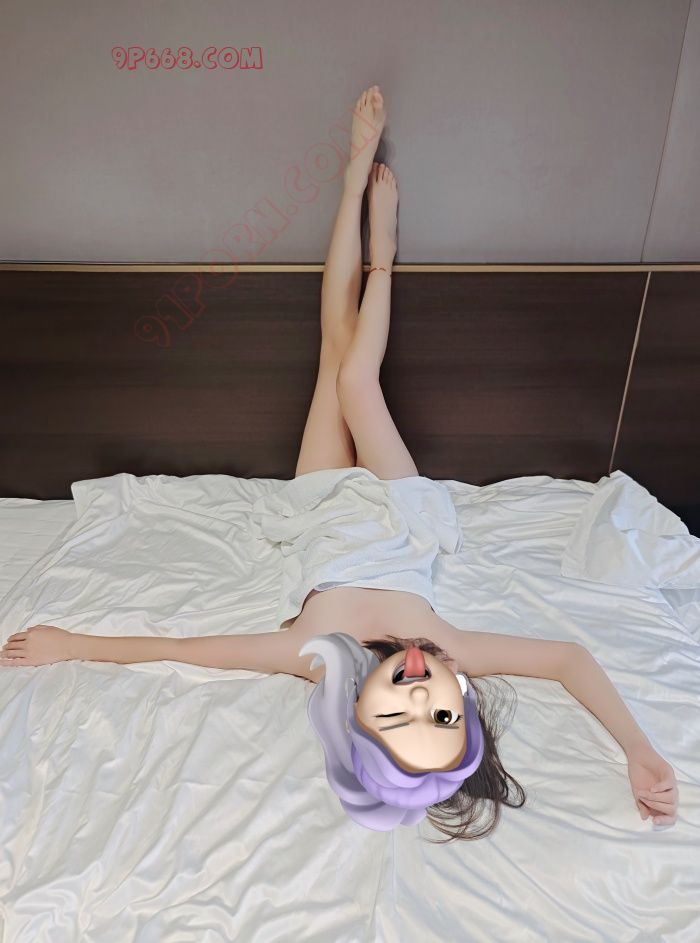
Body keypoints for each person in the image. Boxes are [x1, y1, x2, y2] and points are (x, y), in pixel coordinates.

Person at [1, 86, 678, 838]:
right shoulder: (451, 650)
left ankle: (352, 185)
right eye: (443, 714)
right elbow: (569, 658)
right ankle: (381, 257)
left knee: (334, 360)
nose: (419, 693)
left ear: (357, 715)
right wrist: (639, 750)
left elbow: (182, 647)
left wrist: (72, 644)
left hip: (321, 505)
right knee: (358, 381)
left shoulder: (313, 657)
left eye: (398, 715)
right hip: (398, 509)